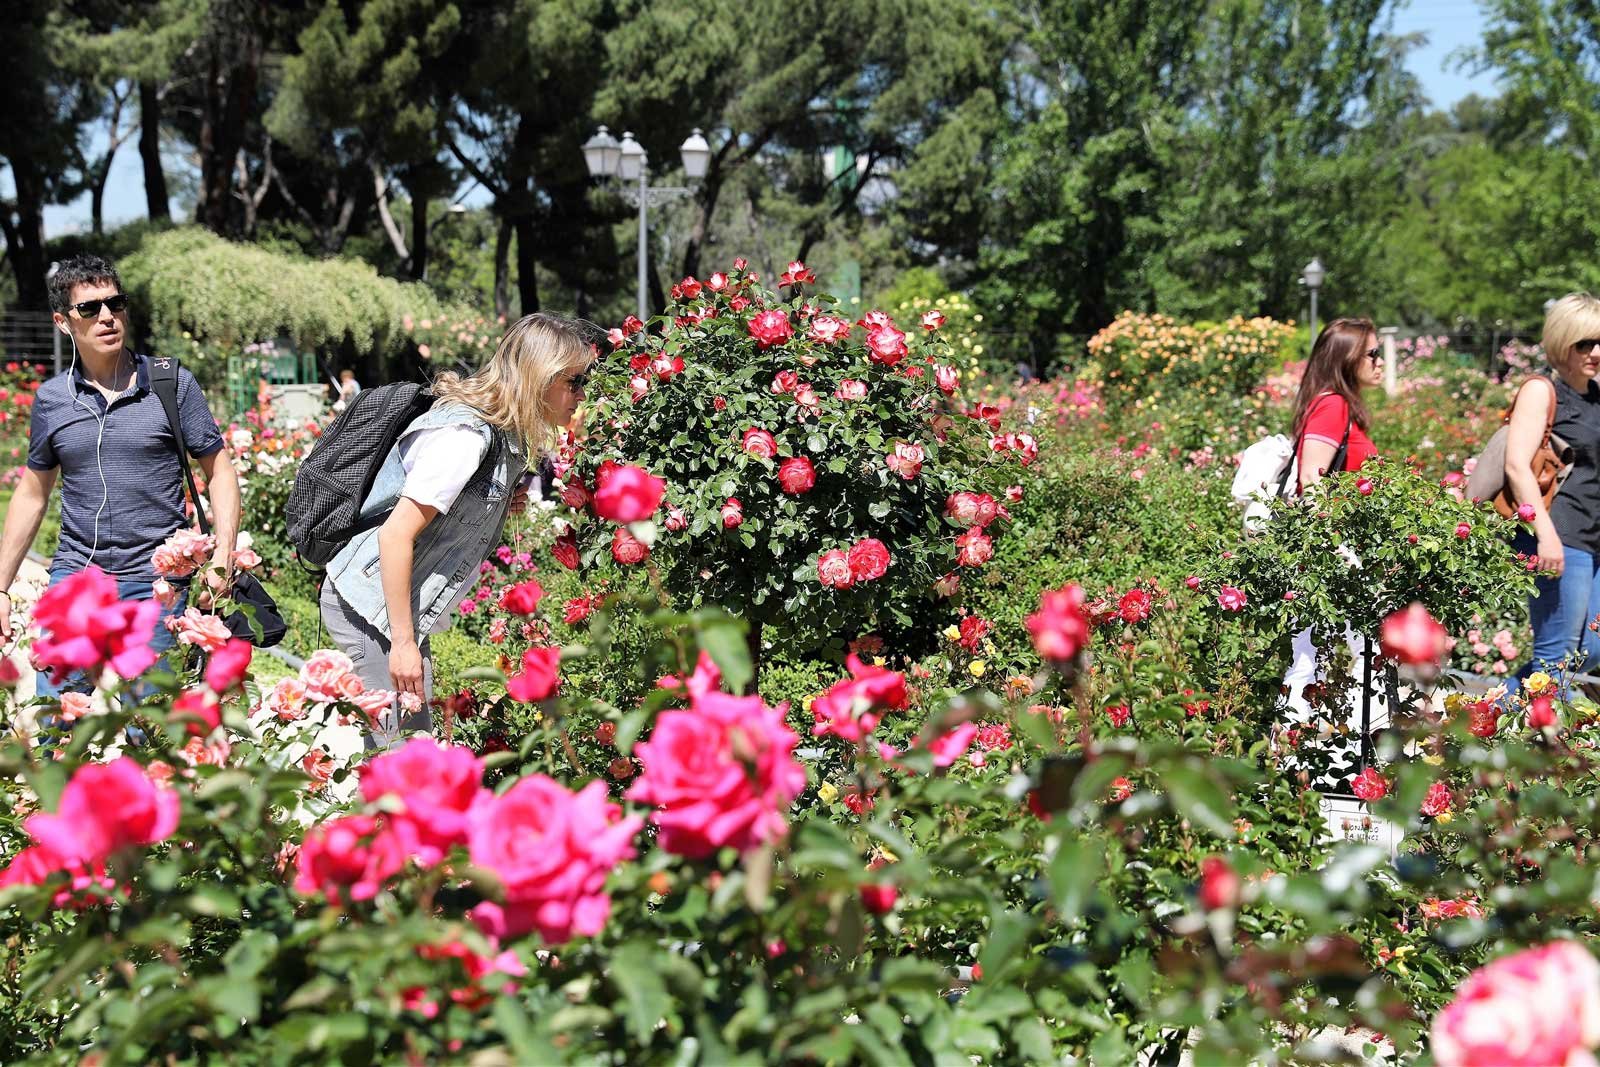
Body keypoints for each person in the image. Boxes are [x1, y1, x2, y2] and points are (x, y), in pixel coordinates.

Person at [318, 312, 591, 747]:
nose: (581, 393)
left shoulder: (502, 436)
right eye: (574, 381)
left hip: (391, 610)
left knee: (404, 753)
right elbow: (395, 535)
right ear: (541, 378)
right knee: (403, 758)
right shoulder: (466, 437)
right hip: (369, 608)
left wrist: (500, 500)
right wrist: (404, 644)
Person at [0, 254, 240, 698]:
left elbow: (220, 471)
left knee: (152, 729)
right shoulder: (53, 399)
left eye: (116, 303)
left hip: (158, 587)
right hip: (76, 581)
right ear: (62, 321)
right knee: (60, 714)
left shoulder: (170, 383)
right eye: (90, 309)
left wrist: (223, 552)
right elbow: (32, 495)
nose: (107, 317)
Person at [1280, 319, 1386, 780]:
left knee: (1326, 658)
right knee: (1318, 659)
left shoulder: (1337, 405)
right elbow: (1312, 482)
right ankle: (1301, 767)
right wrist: (1341, 555)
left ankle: (1315, 766)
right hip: (1329, 555)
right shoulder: (1333, 407)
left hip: (1330, 553)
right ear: (1346, 360)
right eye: (1372, 355)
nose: (1380, 362)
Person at [1506, 292, 1600, 684]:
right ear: (1563, 341)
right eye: (1585, 342)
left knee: (1590, 650)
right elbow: (1517, 465)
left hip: (1593, 538)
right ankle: (1509, 736)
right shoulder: (1542, 391)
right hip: (1558, 536)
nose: (1594, 352)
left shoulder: (1596, 396)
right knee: (1555, 657)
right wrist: (1545, 535)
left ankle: (1487, 716)